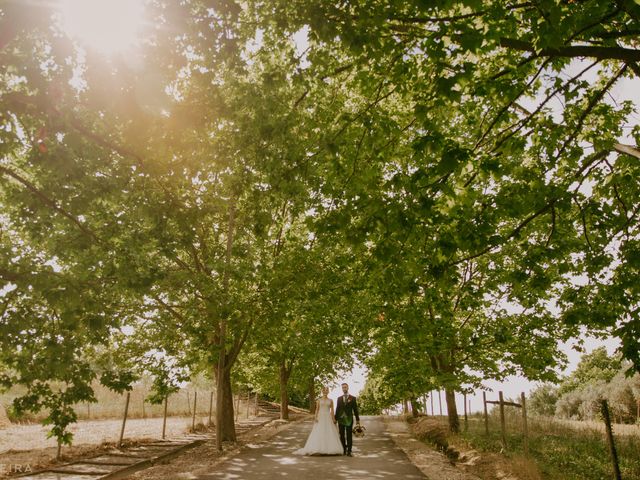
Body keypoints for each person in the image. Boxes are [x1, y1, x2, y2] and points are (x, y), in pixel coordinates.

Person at [294, 386, 343, 455]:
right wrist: (315, 417)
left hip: (328, 417)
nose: (325, 391)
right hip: (321, 417)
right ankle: (318, 449)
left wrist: (333, 419)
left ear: (328, 391)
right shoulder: (319, 400)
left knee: (329, 432)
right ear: (322, 391)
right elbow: (317, 409)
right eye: (324, 390)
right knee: (319, 431)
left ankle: (329, 449)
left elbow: (332, 411)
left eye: (326, 390)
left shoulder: (331, 400)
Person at [335, 382, 360, 456]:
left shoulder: (353, 398)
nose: (344, 388)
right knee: (341, 434)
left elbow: (355, 409)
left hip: (349, 419)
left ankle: (349, 451)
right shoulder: (339, 399)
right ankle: (344, 449)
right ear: (342, 389)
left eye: (345, 387)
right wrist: (335, 419)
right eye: (343, 387)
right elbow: (337, 409)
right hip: (341, 419)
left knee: (349, 435)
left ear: (348, 388)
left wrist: (357, 419)